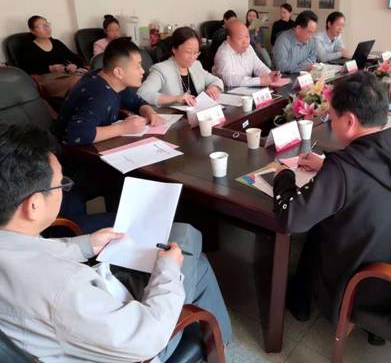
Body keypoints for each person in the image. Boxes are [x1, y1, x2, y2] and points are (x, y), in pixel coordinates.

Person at [0, 123, 232, 362]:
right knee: (186, 239)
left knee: (194, 261)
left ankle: (220, 343)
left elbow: (33, 253)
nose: (64, 190)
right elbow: (147, 338)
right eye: (61, 184)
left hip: (77, 323)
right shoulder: (64, 287)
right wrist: (169, 269)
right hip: (138, 347)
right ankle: (219, 344)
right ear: (34, 205)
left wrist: (87, 245)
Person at [273, 72, 391, 323]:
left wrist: (284, 176)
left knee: (314, 230)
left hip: (362, 285)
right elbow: (371, 178)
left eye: (331, 117)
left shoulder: (343, 169)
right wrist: (327, 167)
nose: (330, 123)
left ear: (349, 121)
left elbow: (290, 219)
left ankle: (300, 305)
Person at [53, 37, 165, 146]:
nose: (142, 71)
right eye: (138, 67)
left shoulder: (111, 80)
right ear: (118, 72)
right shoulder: (100, 96)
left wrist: (150, 112)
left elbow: (136, 102)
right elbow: (76, 134)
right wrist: (123, 128)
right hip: (69, 152)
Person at [138, 27, 223, 106]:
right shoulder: (161, 70)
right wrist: (176, 98)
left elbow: (216, 80)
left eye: (196, 52)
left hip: (198, 113)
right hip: (174, 116)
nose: (192, 57)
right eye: (188, 52)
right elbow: (143, 93)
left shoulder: (196, 65)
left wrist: (213, 89)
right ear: (174, 49)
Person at [19, 15, 85, 98]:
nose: (47, 29)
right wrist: (50, 68)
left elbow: (75, 58)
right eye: (41, 27)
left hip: (66, 74)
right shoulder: (28, 47)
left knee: (91, 78)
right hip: (47, 80)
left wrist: (74, 65)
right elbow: (26, 69)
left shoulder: (56, 43)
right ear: (32, 31)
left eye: (47, 25)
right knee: (79, 81)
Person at [213, 20, 280, 89]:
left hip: (246, 90)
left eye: (247, 37)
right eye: (240, 38)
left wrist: (269, 74)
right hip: (226, 91)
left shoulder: (249, 48)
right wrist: (258, 81)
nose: (245, 42)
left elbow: (258, 66)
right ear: (229, 39)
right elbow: (229, 79)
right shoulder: (223, 53)